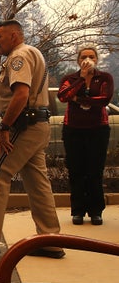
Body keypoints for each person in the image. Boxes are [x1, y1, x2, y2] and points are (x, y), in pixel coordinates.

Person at [0, 19, 64, 259]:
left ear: (15, 36)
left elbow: (21, 94)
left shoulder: (19, 56)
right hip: (38, 125)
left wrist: (5, 126)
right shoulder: (33, 52)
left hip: (22, 126)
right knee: (38, 183)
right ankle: (51, 240)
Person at [58, 45, 115, 225]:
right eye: (84, 56)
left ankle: (96, 211)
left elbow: (104, 99)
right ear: (78, 60)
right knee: (76, 170)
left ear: (96, 59)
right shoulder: (71, 78)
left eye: (91, 56)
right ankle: (78, 211)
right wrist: (81, 80)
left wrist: (78, 99)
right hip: (73, 129)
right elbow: (63, 95)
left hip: (98, 129)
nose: (87, 59)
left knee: (94, 171)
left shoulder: (104, 78)